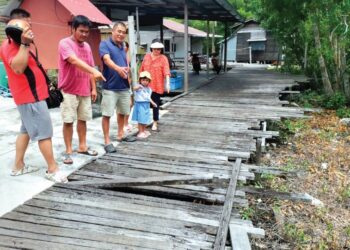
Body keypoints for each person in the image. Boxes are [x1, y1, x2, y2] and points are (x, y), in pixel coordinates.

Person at [0, 9, 67, 183]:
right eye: (27, 25)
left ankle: (18, 166)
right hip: (30, 97)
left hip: (33, 96)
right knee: (44, 133)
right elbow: (17, 68)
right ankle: (52, 169)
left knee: (26, 131)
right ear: (16, 25)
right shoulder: (9, 45)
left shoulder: (22, 43)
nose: (31, 28)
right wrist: (24, 44)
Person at [58, 15, 105, 164]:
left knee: (83, 119)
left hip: (84, 89)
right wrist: (95, 72)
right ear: (73, 29)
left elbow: (90, 68)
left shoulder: (87, 46)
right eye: (81, 31)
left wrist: (93, 88)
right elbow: (73, 60)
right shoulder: (64, 43)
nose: (84, 34)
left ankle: (82, 146)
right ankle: (68, 150)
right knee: (68, 120)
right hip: (69, 89)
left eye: (87, 32)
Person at [99, 22, 136, 154]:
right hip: (110, 86)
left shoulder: (123, 46)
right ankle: (107, 140)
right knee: (107, 114)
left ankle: (121, 135)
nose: (121, 34)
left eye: (123, 32)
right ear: (112, 31)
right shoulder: (105, 44)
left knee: (123, 112)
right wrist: (118, 69)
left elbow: (125, 62)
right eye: (118, 31)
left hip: (124, 85)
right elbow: (107, 60)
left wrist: (126, 71)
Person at [139, 39, 170, 131]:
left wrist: (167, 83)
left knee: (155, 104)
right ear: (151, 48)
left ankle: (155, 121)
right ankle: (145, 121)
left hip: (157, 85)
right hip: (145, 85)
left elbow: (166, 71)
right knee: (144, 104)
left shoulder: (163, 58)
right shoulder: (146, 57)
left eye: (159, 49)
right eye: (155, 49)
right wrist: (139, 83)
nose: (157, 51)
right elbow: (142, 70)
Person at [132, 71, 157, 139]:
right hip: (140, 105)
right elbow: (134, 88)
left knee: (145, 118)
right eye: (143, 80)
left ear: (149, 81)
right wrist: (137, 88)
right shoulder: (139, 87)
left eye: (146, 80)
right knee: (141, 119)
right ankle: (140, 132)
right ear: (140, 80)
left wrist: (153, 103)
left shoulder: (149, 89)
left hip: (146, 105)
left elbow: (148, 97)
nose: (145, 82)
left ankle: (143, 130)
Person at [123, 41, 134, 134]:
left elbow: (129, 72)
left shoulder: (127, 59)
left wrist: (130, 80)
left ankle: (126, 123)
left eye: (124, 46)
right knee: (124, 105)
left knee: (130, 104)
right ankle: (123, 124)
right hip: (120, 85)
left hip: (128, 85)